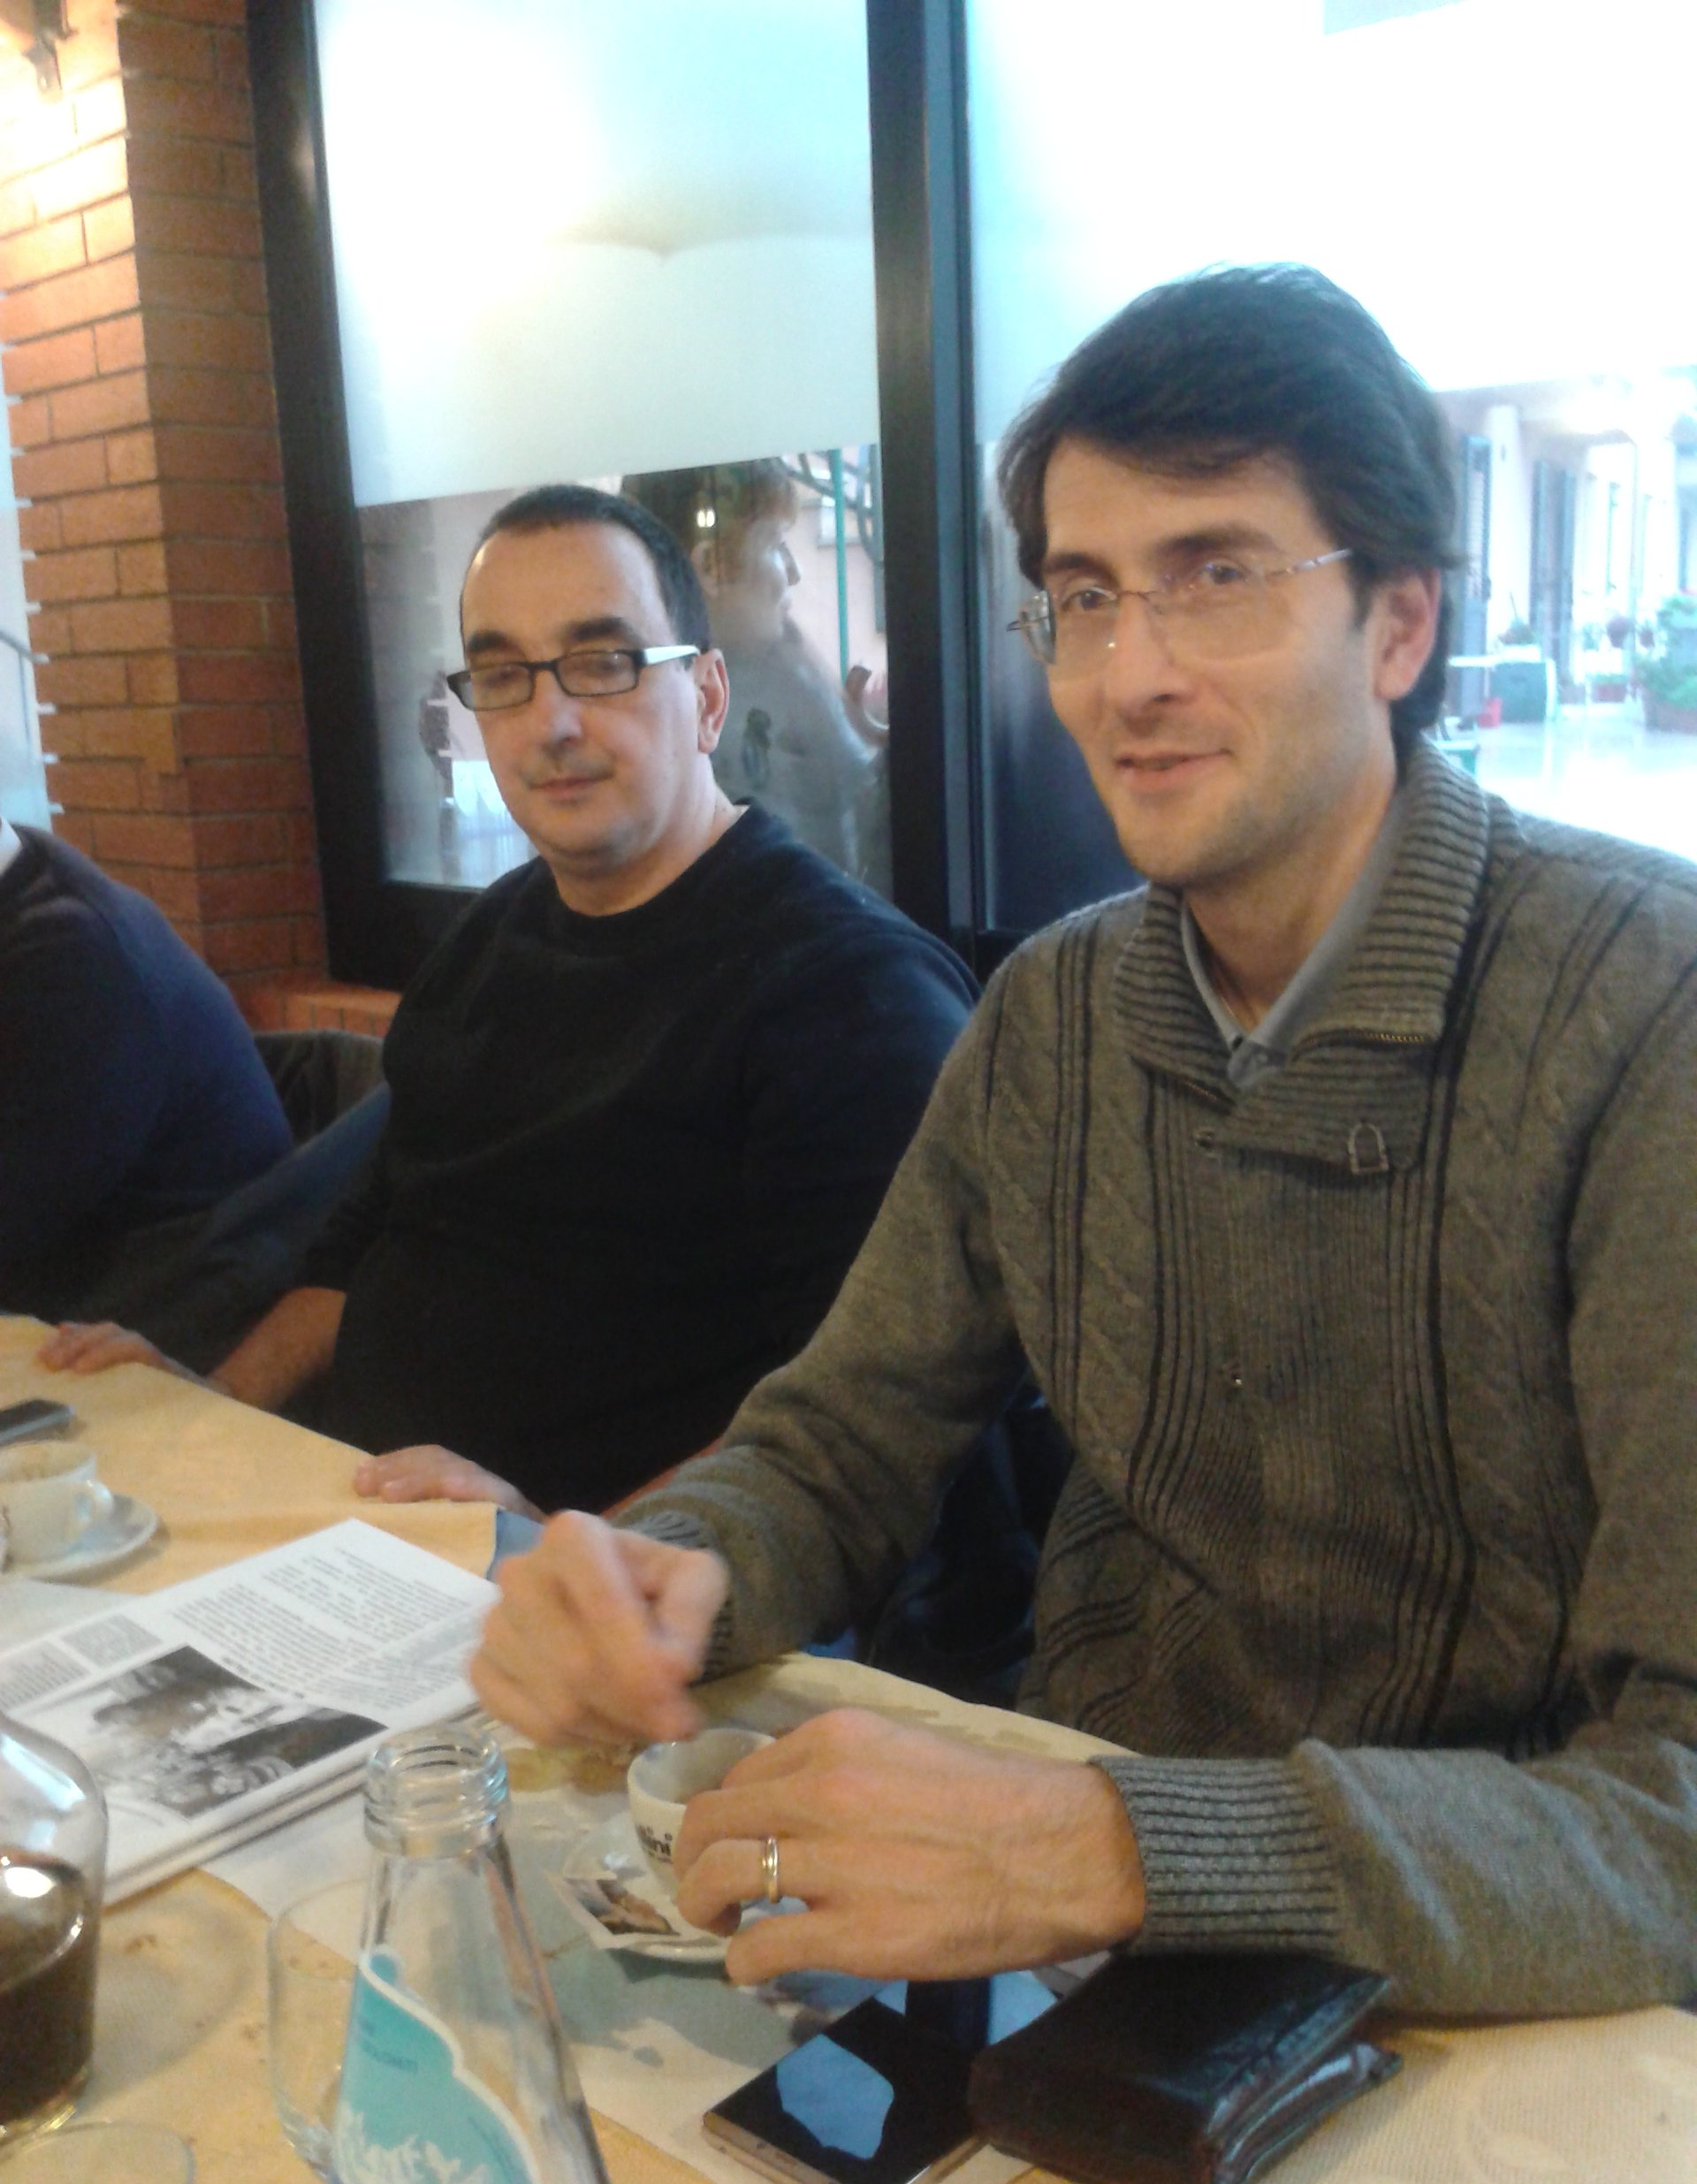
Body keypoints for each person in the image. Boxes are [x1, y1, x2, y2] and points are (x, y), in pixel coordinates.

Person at [469, 268, 1697, 2020]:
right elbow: (841, 1441)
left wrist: (1118, 1843)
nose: (1131, 676)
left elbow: (1674, 1815)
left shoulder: (1644, 1016)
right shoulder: (1053, 1013)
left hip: (1489, 2013)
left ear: (1402, 623)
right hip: (1067, 1949)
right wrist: (672, 1572)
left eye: (1218, 576)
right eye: (1085, 596)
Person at [44, 487, 974, 1516]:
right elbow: (366, 1238)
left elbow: (864, 1422)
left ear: (709, 698)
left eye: (604, 662)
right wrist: (212, 1403)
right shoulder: (488, 938)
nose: (551, 722)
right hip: (356, 1531)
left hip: (607, 1582)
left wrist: (568, 1543)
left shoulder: (849, 994)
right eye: (502, 676)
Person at [0, 817, 295, 1360]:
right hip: (71, 1293)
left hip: (169, 1316)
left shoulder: (69, 957)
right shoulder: (25, 882)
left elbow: (16, 1219)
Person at [621, 460, 890, 894]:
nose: (794, 572)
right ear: (712, 567)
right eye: (776, 544)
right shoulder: (715, 707)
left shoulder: (784, 667)